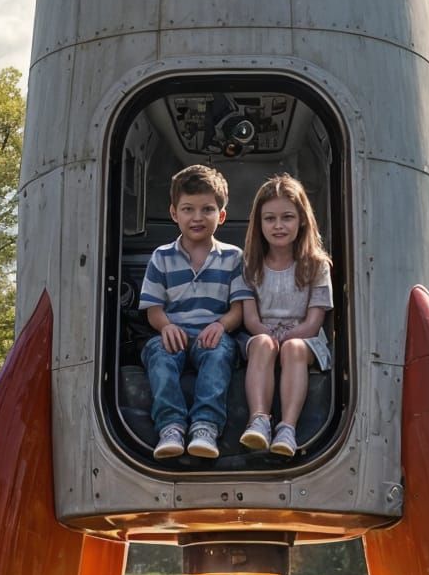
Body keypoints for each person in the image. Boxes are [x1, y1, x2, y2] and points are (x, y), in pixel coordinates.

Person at [138, 164, 245, 461]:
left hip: (212, 335)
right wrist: (166, 327)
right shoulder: (161, 257)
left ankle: (205, 426)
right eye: (188, 209)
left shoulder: (234, 258)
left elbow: (238, 309)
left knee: (221, 352)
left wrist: (222, 326)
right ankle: (170, 426)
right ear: (175, 213)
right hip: (174, 334)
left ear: (221, 216)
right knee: (159, 353)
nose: (197, 217)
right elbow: (154, 309)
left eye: (207, 210)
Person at [235, 173, 333, 458]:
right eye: (269, 219)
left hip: (304, 338)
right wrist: (267, 335)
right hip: (261, 335)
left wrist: (289, 335)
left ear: (302, 219)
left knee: (293, 348)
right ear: (259, 223)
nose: (278, 226)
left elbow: (314, 321)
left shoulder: (316, 265)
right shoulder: (250, 265)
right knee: (264, 344)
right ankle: (259, 421)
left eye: (287, 217)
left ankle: (287, 428)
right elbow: (250, 318)